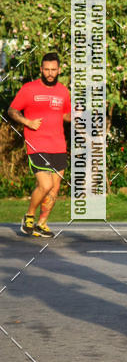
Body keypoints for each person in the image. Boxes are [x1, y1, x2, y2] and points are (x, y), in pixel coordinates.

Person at [8, 53, 71, 238]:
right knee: (45, 184)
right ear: (41, 70)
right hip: (36, 143)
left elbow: (66, 115)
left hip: (59, 145)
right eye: (46, 70)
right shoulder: (29, 89)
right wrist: (27, 122)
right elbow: (12, 110)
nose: (50, 73)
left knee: (55, 188)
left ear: (59, 70)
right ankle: (29, 216)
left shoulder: (63, 91)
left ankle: (41, 224)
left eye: (53, 70)